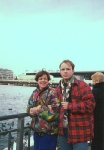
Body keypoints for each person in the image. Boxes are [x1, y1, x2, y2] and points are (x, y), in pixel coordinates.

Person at [52, 59, 96, 150]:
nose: (65, 72)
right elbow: (55, 105)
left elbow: (90, 105)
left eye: (68, 69)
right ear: (60, 71)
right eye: (63, 69)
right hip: (63, 132)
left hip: (79, 132)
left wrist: (70, 106)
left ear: (73, 70)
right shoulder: (58, 88)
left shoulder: (82, 86)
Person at [26, 70, 60, 150]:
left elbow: (55, 111)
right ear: (37, 80)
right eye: (40, 78)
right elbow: (29, 107)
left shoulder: (53, 92)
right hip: (37, 131)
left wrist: (37, 110)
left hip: (49, 132)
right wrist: (30, 111)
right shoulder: (34, 93)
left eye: (45, 78)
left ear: (48, 80)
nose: (43, 80)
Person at [91, 72, 104, 150]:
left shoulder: (95, 91)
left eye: (93, 81)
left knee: (97, 141)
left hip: (97, 119)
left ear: (97, 81)